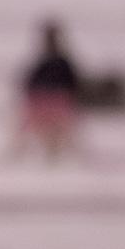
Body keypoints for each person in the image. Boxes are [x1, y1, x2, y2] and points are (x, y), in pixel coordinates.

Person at [16, 18, 81, 161]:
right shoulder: (51, 63)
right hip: (46, 102)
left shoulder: (58, 63)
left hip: (53, 102)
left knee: (58, 132)